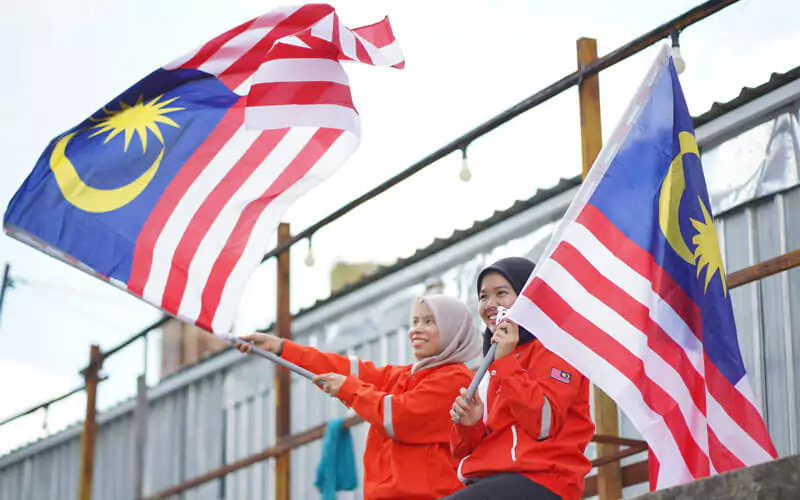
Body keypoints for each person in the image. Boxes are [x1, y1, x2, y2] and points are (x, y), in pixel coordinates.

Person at [235, 294, 482, 500]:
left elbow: (398, 417)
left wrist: (349, 389)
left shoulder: (456, 380)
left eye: (429, 321)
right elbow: (345, 369)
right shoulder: (405, 376)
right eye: (414, 321)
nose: (416, 329)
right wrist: (281, 348)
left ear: (453, 329)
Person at [447, 257, 594, 500]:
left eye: (501, 293)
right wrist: (470, 423)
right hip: (492, 482)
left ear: (529, 296)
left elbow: (543, 423)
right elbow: (459, 450)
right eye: (483, 297)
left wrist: (506, 363)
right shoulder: (489, 365)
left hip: (545, 481)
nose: (490, 304)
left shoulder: (558, 348)